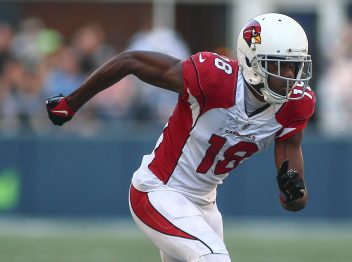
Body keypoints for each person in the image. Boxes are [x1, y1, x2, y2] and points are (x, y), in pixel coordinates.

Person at [45, 13, 315, 262]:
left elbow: (294, 201)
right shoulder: (214, 79)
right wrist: (72, 102)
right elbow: (131, 61)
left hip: (204, 205)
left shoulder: (296, 106)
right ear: (252, 62)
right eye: (279, 66)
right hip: (158, 190)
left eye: (293, 66)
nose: (289, 76)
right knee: (214, 259)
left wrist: (292, 191)